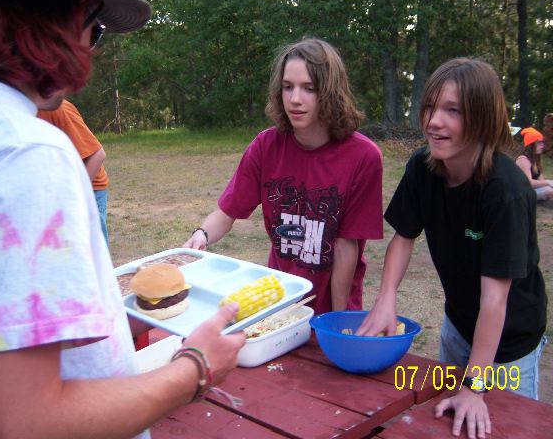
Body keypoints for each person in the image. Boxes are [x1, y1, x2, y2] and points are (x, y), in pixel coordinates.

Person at [0, 0, 245, 438]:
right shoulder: (22, 151)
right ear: (71, 20)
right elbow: (19, 425)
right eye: (95, 30)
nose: (90, 47)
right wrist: (195, 368)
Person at [357, 58, 547, 439]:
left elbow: (495, 300)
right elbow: (403, 238)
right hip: (458, 327)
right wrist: (386, 297)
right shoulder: (422, 168)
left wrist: (475, 387)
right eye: (430, 107)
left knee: (505, 430)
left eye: (453, 111)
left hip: (510, 345)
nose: (433, 121)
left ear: (483, 119)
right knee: (447, 427)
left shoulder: (505, 191)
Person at [183, 38, 383, 314]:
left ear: (330, 91)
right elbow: (227, 213)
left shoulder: (363, 156)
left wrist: (336, 322)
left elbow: (346, 245)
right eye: (288, 87)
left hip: (333, 306)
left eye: (309, 88)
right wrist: (201, 235)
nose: (295, 99)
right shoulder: (265, 146)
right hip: (280, 302)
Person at [38, 99, 111, 244]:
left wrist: (71, 196)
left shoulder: (58, 109)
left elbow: (97, 155)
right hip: (58, 191)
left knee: (92, 248)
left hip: (89, 190)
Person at [515, 126, 553, 201]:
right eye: (539, 143)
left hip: (530, 191)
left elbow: (540, 180)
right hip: (520, 194)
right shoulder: (523, 159)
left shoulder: (535, 159)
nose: (542, 146)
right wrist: (548, 182)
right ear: (531, 145)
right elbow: (528, 183)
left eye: (542, 142)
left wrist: (548, 183)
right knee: (549, 190)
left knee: (549, 188)